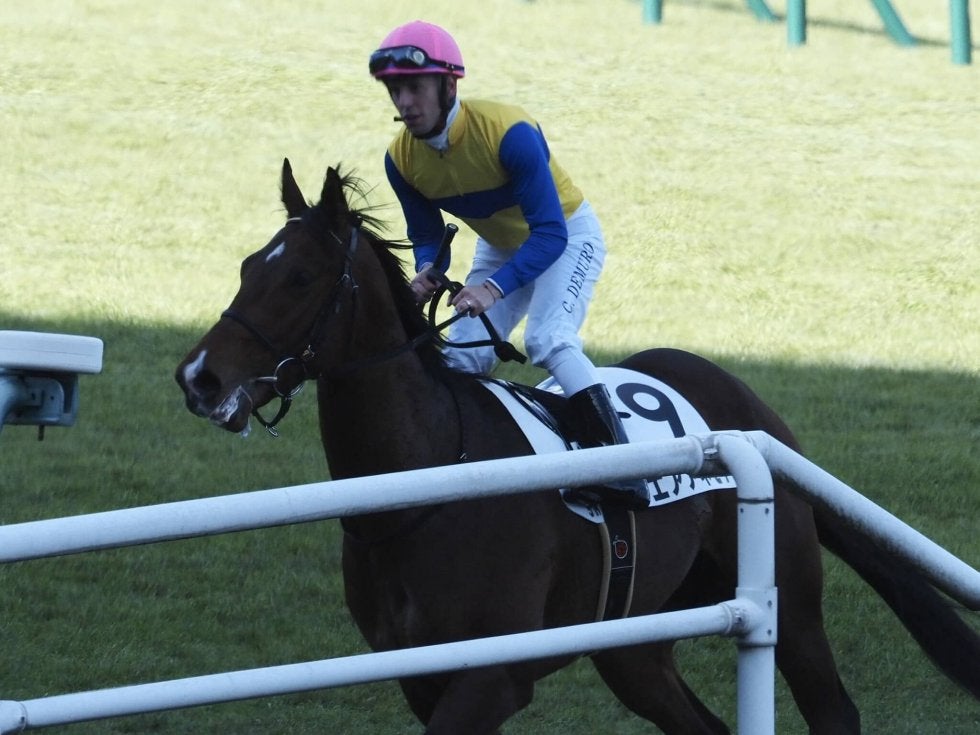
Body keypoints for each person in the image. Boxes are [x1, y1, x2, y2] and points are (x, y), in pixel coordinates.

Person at [369, 20, 649, 508]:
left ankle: (622, 470)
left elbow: (550, 234)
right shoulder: (401, 160)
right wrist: (427, 270)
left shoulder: (509, 133)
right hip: (500, 245)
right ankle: (462, 468)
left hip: (567, 233)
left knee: (549, 338)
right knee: (462, 357)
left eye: (415, 87)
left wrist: (492, 289)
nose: (405, 102)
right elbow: (428, 235)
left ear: (449, 85)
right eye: (395, 90)